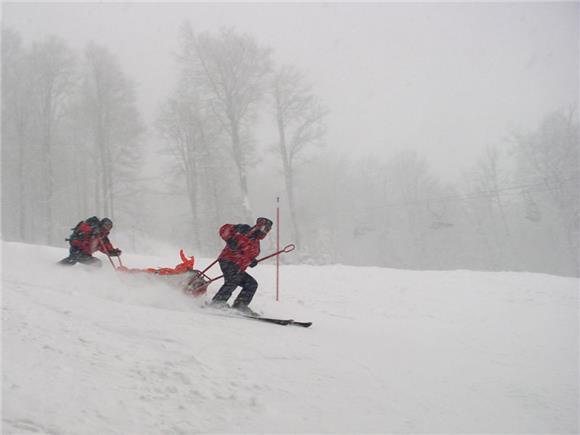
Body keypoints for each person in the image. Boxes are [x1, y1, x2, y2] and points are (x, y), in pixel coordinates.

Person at [210, 217, 273, 315]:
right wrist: (230, 240)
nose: (265, 231)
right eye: (264, 228)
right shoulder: (244, 229)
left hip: (238, 267)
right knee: (233, 280)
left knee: (251, 284)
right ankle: (217, 303)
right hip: (227, 260)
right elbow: (224, 228)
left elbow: (247, 256)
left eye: (268, 230)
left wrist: (252, 261)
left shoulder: (256, 244)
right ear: (259, 226)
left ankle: (240, 305)